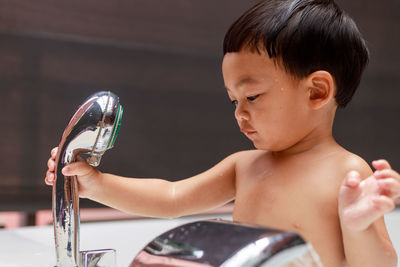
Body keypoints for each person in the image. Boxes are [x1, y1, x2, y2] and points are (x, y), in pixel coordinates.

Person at [45, 0, 399, 266]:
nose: (239, 113)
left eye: (252, 96)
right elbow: (171, 198)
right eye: (233, 100)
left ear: (316, 91)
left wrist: (359, 226)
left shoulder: (347, 176)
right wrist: (96, 185)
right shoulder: (245, 166)